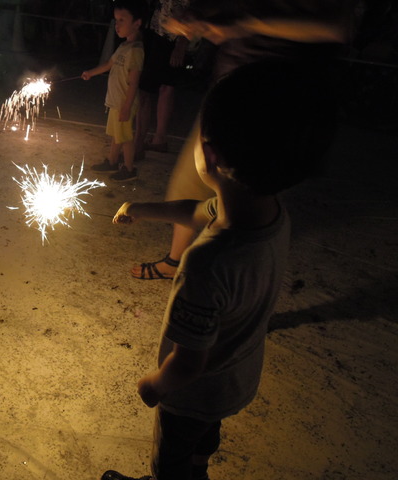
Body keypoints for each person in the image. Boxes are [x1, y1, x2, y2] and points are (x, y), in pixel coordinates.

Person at [105, 59, 337, 480]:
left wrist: (154, 385)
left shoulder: (207, 262)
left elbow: (188, 363)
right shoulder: (268, 213)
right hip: (234, 381)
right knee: (202, 444)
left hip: (192, 393)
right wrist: (142, 209)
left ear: (208, 154)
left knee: (170, 458)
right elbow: (197, 210)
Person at [130, 2, 346, 279]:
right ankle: (177, 261)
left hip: (279, 103)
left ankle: (239, 287)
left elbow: (335, 25)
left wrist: (246, 22)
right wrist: (204, 16)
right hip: (229, 91)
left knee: (251, 203)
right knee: (189, 186)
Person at [81, 0, 144, 182]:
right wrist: (91, 73)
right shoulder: (124, 47)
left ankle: (129, 168)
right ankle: (112, 161)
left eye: (122, 20)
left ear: (137, 23)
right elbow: (109, 64)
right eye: (116, 20)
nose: (117, 25)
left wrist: (126, 107)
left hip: (124, 102)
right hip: (116, 101)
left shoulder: (136, 51)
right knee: (117, 135)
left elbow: (133, 83)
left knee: (125, 138)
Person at [133, 0, 191, 161]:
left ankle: (139, 145)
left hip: (169, 35)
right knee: (164, 87)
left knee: (147, 90)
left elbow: (190, 10)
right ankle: (158, 139)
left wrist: (182, 43)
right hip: (157, 29)